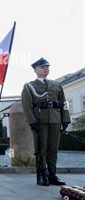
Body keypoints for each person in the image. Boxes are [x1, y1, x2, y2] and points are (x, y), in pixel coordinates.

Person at [21, 58, 71, 186]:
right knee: (41, 150)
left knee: (53, 149)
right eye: (42, 67)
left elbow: (64, 103)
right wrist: (32, 122)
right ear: (35, 70)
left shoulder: (57, 85)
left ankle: (52, 175)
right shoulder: (29, 86)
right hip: (40, 120)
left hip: (55, 119)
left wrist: (65, 119)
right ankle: (42, 175)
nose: (46, 68)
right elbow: (26, 106)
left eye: (47, 66)